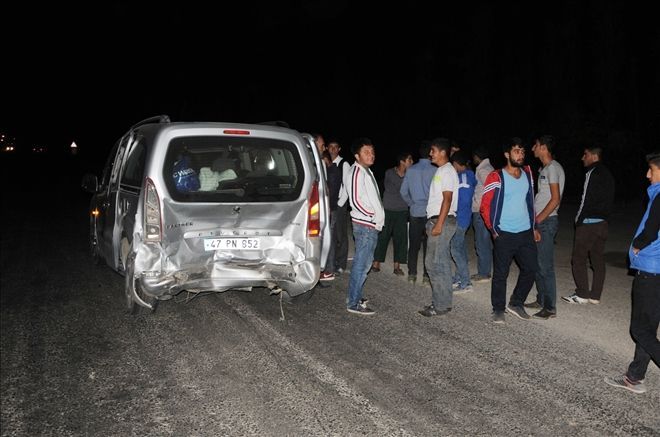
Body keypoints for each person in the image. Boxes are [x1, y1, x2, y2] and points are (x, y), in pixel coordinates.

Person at [604, 151, 660, 394]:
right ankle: (634, 377)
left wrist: (636, 245)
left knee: (639, 329)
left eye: (652, 170)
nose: (647, 174)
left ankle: (635, 377)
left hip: (651, 271)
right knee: (647, 327)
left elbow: (650, 231)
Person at [481, 138, 540, 324]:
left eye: (522, 151)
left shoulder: (528, 174)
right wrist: (494, 230)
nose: (520, 155)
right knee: (501, 274)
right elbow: (485, 206)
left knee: (531, 269)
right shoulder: (496, 177)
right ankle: (498, 308)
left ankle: (516, 302)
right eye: (516, 151)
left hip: (525, 232)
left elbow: (530, 202)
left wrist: (534, 226)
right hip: (504, 232)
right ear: (507, 154)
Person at [562, 146, 615, 305]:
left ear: (593, 155)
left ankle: (582, 294)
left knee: (578, 258)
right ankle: (595, 296)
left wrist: (578, 220)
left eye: (585, 154)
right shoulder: (608, 174)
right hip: (603, 223)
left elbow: (585, 199)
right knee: (597, 258)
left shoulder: (592, 173)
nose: (582, 158)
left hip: (589, 223)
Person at [525, 135, 565, 319]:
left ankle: (550, 307)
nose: (532, 148)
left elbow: (555, 199)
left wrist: (538, 220)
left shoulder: (553, 168)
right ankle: (541, 299)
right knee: (537, 263)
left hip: (546, 222)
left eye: (535, 145)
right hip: (541, 221)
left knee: (545, 266)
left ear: (542, 147)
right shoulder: (545, 169)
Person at [418, 138, 459, 317]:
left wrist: (439, 224)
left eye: (433, 150)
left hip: (441, 221)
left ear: (443, 152)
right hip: (437, 220)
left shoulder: (447, 171)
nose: (430, 154)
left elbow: (447, 199)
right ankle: (443, 303)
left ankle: (440, 305)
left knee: (435, 263)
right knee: (439, 262)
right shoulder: (442, 170)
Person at [344, 138, 384, 315]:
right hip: (365, 225)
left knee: (366, 264)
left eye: (372, 151)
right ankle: (353, 303)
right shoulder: (356, 172)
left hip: (370, 225)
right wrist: (372, 216)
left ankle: (357, 295)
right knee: (361, 265)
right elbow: (355, 201)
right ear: (357, 155)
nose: (371, 155)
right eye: (366, 152)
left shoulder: (366, 171)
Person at [400, 141, 436, 285]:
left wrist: (411, 203)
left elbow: (403, 191)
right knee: (429, 245)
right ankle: (427, 276)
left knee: (414, 245)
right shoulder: (435, 170)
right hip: (430, 212)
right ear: (429, 153)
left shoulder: (411, 170)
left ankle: (412, 274)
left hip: (415, 211)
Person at [372, 152, 413, 276]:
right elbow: (399, 189)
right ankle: (376, 262)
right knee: (383, 236)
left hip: (402, 211)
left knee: (400, 238)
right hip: (388, 209)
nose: (412, 162)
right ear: (402, 161)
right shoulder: (389, 173)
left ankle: (397, 266)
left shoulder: (410, 175)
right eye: (409, 159)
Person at [450, 150, 476, 293]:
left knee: (455, 249)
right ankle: (459, 277)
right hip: (464, 217)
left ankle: (466, 282)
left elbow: (465, 199)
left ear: (455, 164)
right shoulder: (468, 175)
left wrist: (455, 211)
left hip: (460, 218)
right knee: (460, 248)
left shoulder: (463, 177)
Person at [327, 140, 351, 276]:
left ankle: (341, 263)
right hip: (330, 203)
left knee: (341, 235)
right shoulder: (327, 163)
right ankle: (333, 261)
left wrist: (340, 204)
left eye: (335, 147)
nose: (332, 149)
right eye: (330, 147)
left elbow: (347, 187)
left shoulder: (344, 164)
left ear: (339, 149)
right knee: (333, 234)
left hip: (340, 204)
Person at [470, 146, 494, 283]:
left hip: (481, 211)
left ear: (477, 156)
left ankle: (484, 273)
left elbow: (491, 190)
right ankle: (485, 271)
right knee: (484, 242)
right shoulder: (487, 168)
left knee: (481, 242)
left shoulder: (483, 170)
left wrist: (484, 207)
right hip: (483, 210)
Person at [320, 150, 338, 281]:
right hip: (330, 209)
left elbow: (331, 193)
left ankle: (329, 270)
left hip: (331, 210)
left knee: (329, 241)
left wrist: (329, 209)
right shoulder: (331, 171)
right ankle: (328, 269)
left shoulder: (331, 172)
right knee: (328, 239)